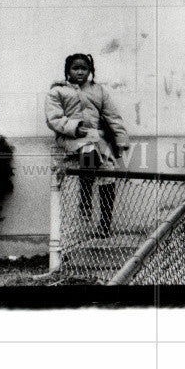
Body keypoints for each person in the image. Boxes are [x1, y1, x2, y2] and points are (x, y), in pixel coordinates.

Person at [45, 53, 131, 236]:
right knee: (88, 148)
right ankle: (85, 199)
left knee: (108, 173)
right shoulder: (57, 91)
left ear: (90, 71)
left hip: (96, 138)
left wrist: (121, 140)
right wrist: (75, 128)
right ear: (67, 70)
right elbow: (54, 118)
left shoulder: (98, 90)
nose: (80, 72)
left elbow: (113, 116)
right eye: (75, 68)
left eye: (84, 68)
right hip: (71, 138)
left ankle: (105, 224)